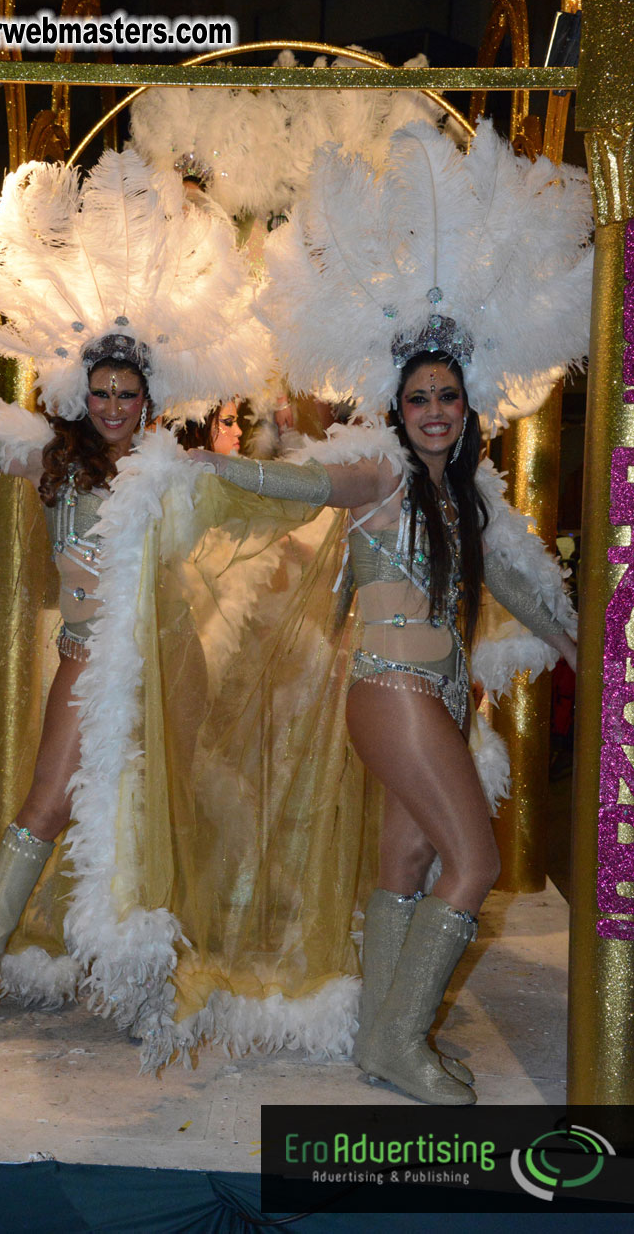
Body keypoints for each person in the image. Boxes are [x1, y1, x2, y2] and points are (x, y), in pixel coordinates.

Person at [182, 116, 591, 1103]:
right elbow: (287, 485)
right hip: (392, 690)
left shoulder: (467, 494)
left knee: (408, 859)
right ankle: (405, 1039)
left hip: (434, 696)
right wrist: (200, 463)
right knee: (474, 857)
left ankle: (376, 1039)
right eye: (418, 399)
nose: (434, 412)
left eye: (445, 397)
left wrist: (586, 641)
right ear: (396, 406)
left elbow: (511, 585)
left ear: (467, 403)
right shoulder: (372, 472)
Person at [0, 149, 270, 1057]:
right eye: (104, 391)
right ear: (85, 389)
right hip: (88, 660)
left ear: (149, 398)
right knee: (45, 804)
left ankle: (161, 966)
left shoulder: (170, 470)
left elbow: (261, 499)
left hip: (169, 658)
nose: (115, 405)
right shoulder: (47, 453)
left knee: (170, 801)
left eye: (131, 393)